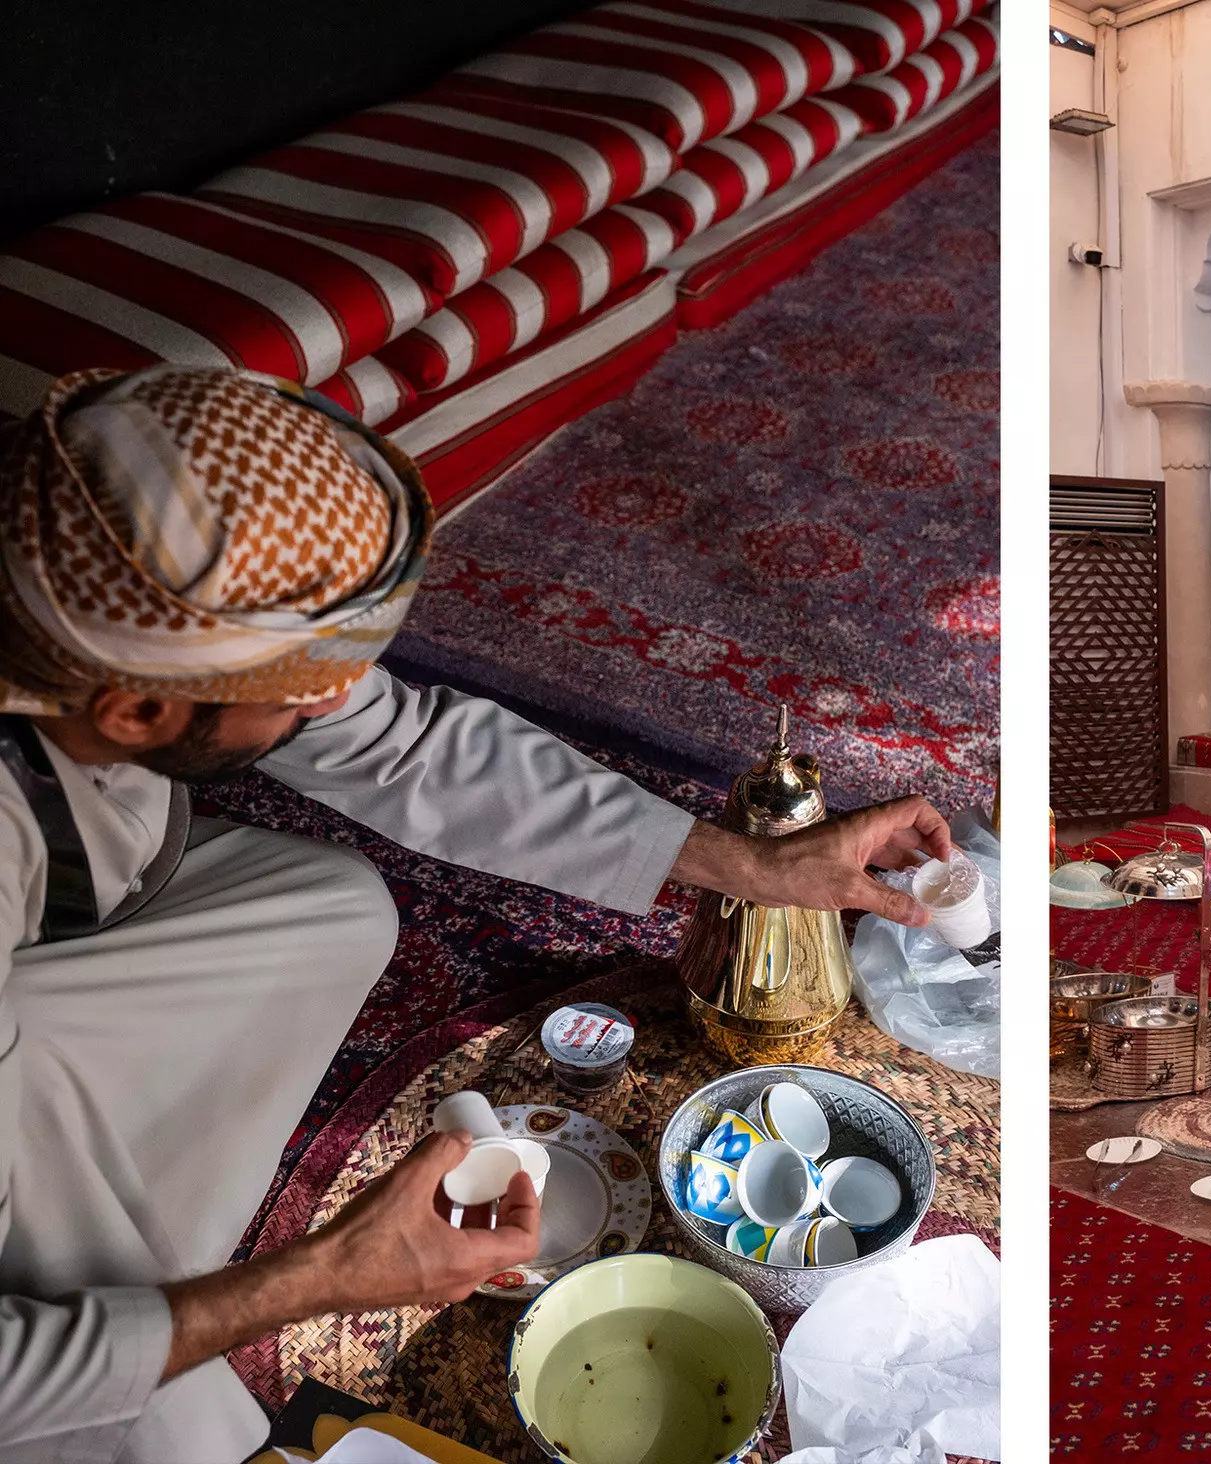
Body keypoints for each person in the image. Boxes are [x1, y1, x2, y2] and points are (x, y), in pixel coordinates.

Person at [0, 366, 953, 1461]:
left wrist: (751, 867)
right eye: (299, 691)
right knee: (169, 1435)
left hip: (69, 913)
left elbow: (406, 746)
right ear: (134, 707)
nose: (334, 702)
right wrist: (319, 1282)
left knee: (337, 907)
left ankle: (138, 1275)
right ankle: (125, 1309)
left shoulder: (64, 595)